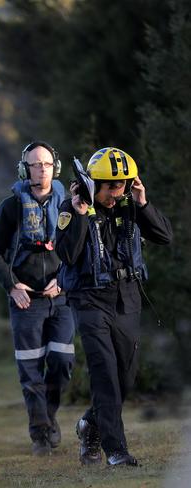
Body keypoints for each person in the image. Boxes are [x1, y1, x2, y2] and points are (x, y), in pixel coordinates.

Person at [56, 147, 172, 466]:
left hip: (127, 298)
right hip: (89, 300)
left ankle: (91, 423)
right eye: (111, 186)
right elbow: (66, 255)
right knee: (105, 374)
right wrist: (80, 212)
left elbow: (164, 236)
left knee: (126, 377)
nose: (116, 192)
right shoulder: (73, 207)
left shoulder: (130, 205)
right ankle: (116, 451)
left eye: (122, 185)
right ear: (95, 184)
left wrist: (142, 202)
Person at [0, 141, 75, 456]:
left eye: (47, 164)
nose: (42, 170)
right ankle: (40, 436)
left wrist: (63, 282)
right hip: (26, 302)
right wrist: (12, 286)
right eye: (35, 164)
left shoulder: (68, 202)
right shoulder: (10, 206)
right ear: (24, 168)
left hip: (61, 298)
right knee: (31, 371)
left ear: (56, 168)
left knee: (62, 363)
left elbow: (81, 247)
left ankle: (49, 418)